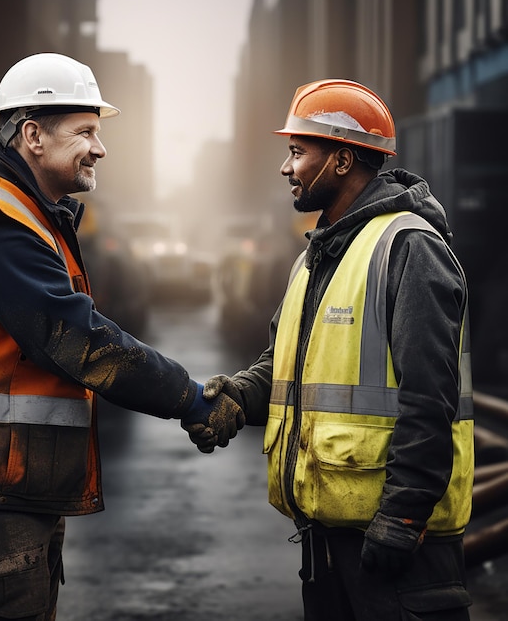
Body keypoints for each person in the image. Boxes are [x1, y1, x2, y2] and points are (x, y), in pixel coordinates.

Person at [0, 53, 244, 620]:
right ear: (32, 135)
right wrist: (191, 398)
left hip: (2, 490)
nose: (99, 148)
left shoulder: (24, 213)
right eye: (85, 132)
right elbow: (79, 340)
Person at [187, 79, 474, 620]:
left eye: (297, 153)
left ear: (342, 160)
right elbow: (285, 369)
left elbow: (430, 400)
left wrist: (402, 520)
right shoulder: (319, 256)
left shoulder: (409, 247)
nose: (285, 167)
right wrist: (236, 399)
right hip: (327, 545)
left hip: (397, 547)